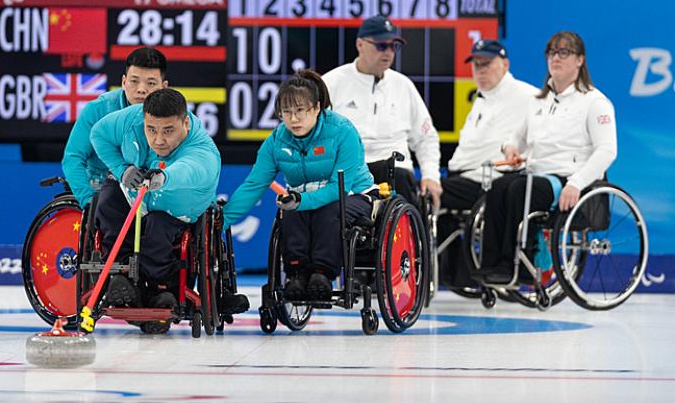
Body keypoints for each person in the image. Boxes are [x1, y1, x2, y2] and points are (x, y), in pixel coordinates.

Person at [91, 88, 249, 333]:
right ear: (143, 120)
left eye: (168, 131)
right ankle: (121, 277)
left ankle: (163, 289)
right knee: (108, 197)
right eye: (151, 130)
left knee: (157, 224)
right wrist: (122, 169)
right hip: (136, 198)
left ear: (185, 122)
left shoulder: (203, 150)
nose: (158, 140)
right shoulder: (131, 119)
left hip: (175, 212)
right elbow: (98, 134)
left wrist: (164, 177)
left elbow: (189, 169)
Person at [222, 70, 377, 301]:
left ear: (316, 108)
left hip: (354, 195)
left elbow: (338, 189)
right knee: (290, 212)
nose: (293, 119)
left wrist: (301, 201)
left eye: (300, 111)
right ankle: (296, 273)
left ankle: (322, 274)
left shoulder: (343, 131)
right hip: (303, 198)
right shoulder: (277, 140)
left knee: (327, 210)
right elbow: (254, 184)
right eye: (287, 112)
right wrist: (222, 219)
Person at [476, 31, 617, 284]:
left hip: (565, 179)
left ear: (580, 60)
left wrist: (576, 183)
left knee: (520, 189)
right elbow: (515, 136)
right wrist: (511, 149)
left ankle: (513, 266)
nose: (556, 58)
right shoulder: (537, 101)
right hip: (535, 173)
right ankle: (490, 266)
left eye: (564, 52)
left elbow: (607, 150)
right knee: (497, 188)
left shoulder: (595, 102)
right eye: (552, 52)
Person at [437, 40, 537, 289]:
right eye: (476, 65)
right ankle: (454, 274)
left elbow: (545, 129)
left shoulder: (528, 95)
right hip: (463, 176)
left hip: (490, 180)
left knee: (425, 191)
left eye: (486, 64)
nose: (480, 70)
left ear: (504, 65)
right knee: (433, 191)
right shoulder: (482, 100)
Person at [323, 15, 442, 208]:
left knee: (402, 178)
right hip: (350, 170)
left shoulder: (403, 86)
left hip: (395, 171)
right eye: (381, 46)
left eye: (393, 46)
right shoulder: (332, 83)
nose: (388, 52)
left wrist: (431, 176)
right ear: (360, 44)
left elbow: (426, 138)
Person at [62, 47, 168, 209]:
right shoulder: (98, 109)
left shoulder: (173, 114)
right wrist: (88, 201)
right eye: (134, 81)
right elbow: (73, 158)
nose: (141, 89)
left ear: (164, 87)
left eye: (151, 83)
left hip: (146, 192)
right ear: (123, 82)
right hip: (100, 189)